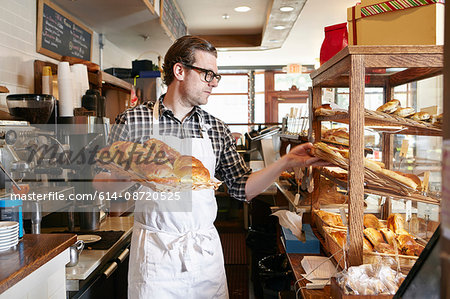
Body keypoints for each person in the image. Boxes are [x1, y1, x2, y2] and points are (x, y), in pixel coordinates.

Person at [93, 35, 328, 299]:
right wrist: (137, 171)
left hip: (204, 256)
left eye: (216, 76)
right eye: (207, 74)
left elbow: (243, 188)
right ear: (179, 71)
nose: (213, 83)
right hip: (154, 256)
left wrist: (285, 162)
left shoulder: (216, 129)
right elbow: (101, 186)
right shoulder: (133, 120)